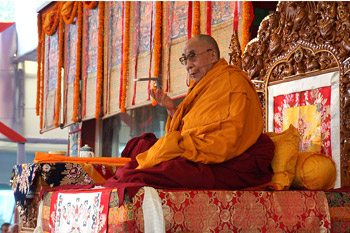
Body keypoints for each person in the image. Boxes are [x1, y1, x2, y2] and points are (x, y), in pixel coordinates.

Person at [106, 34, 274, 200]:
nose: (188, 66)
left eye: (192, 57)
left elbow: (230, 138)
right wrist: (173, 111)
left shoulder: (233, 82)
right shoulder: (202, 87)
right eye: (184, 60)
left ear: (212, 55)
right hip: (198, 155)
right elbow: (192, 129)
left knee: (146, 173)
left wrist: (182, 147)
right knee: (137, 158)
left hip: (223, 163)